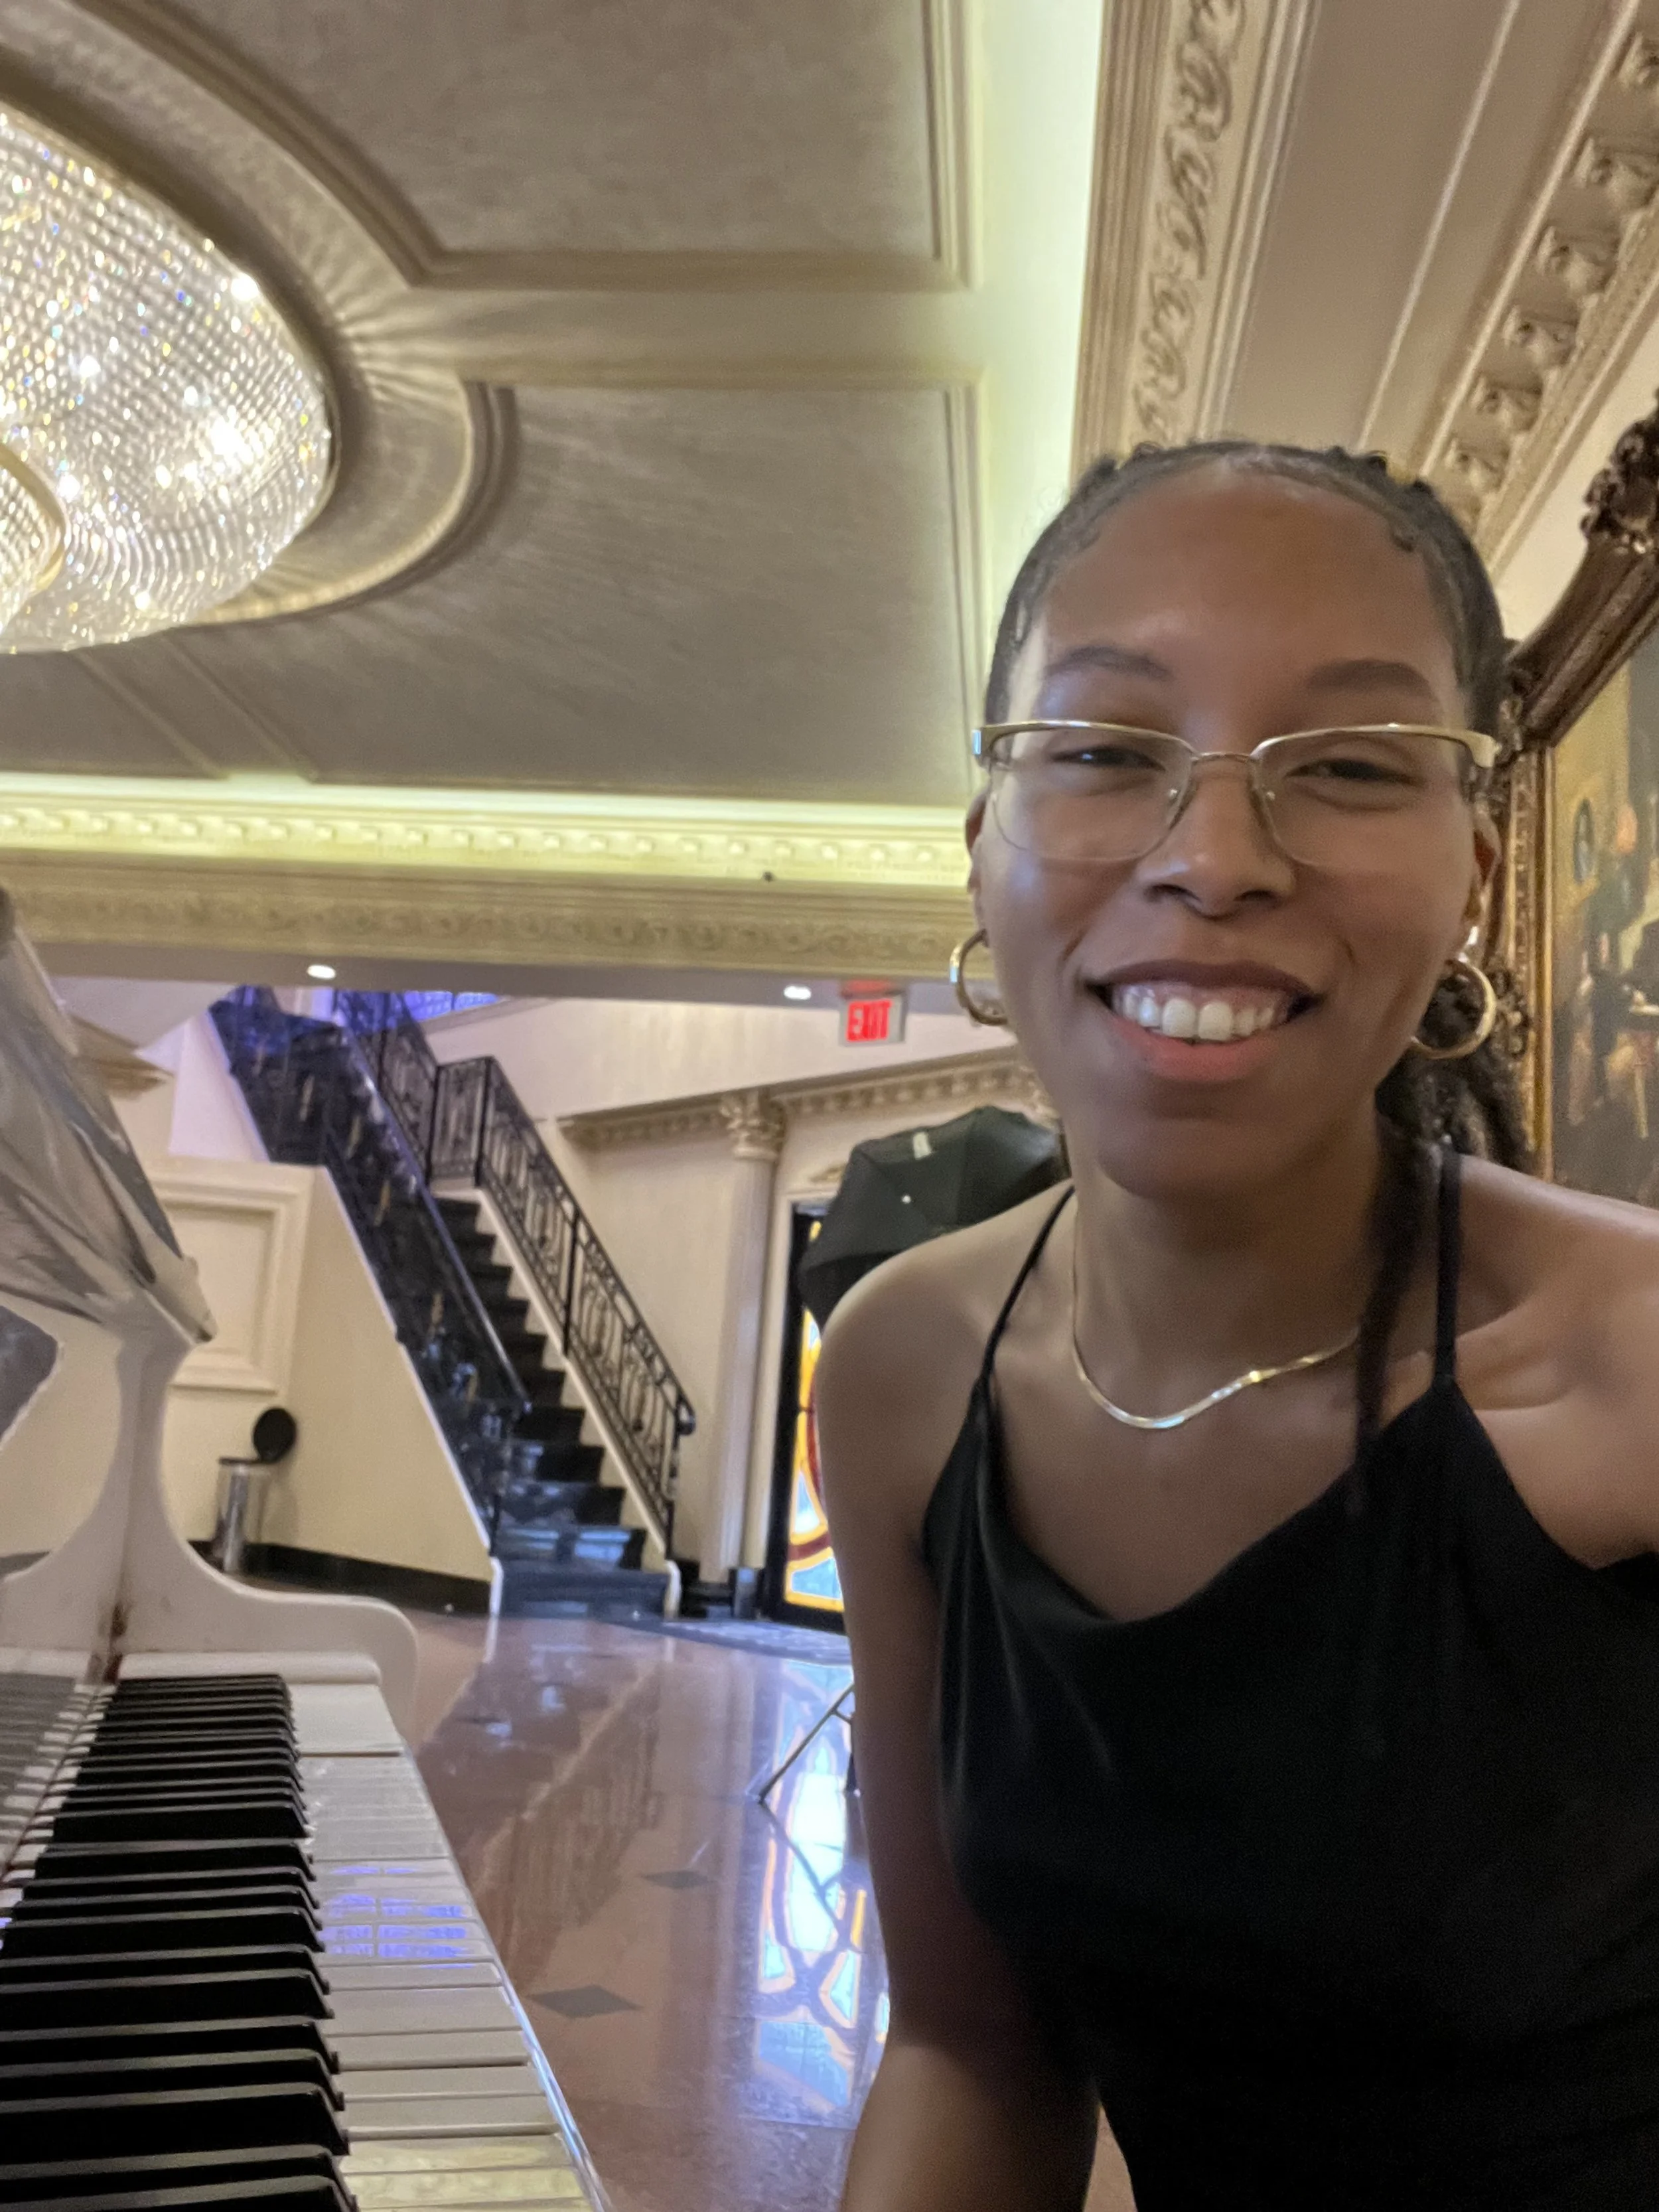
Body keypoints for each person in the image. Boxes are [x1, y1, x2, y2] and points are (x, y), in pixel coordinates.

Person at [816, 441, 1659, 2210]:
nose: (1213, 858)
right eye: (1107, 751)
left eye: (1349, 765)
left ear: (1474, 875)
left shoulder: (1631, 1362)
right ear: (983, 842)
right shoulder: (904, 1370)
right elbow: (971, 2047)